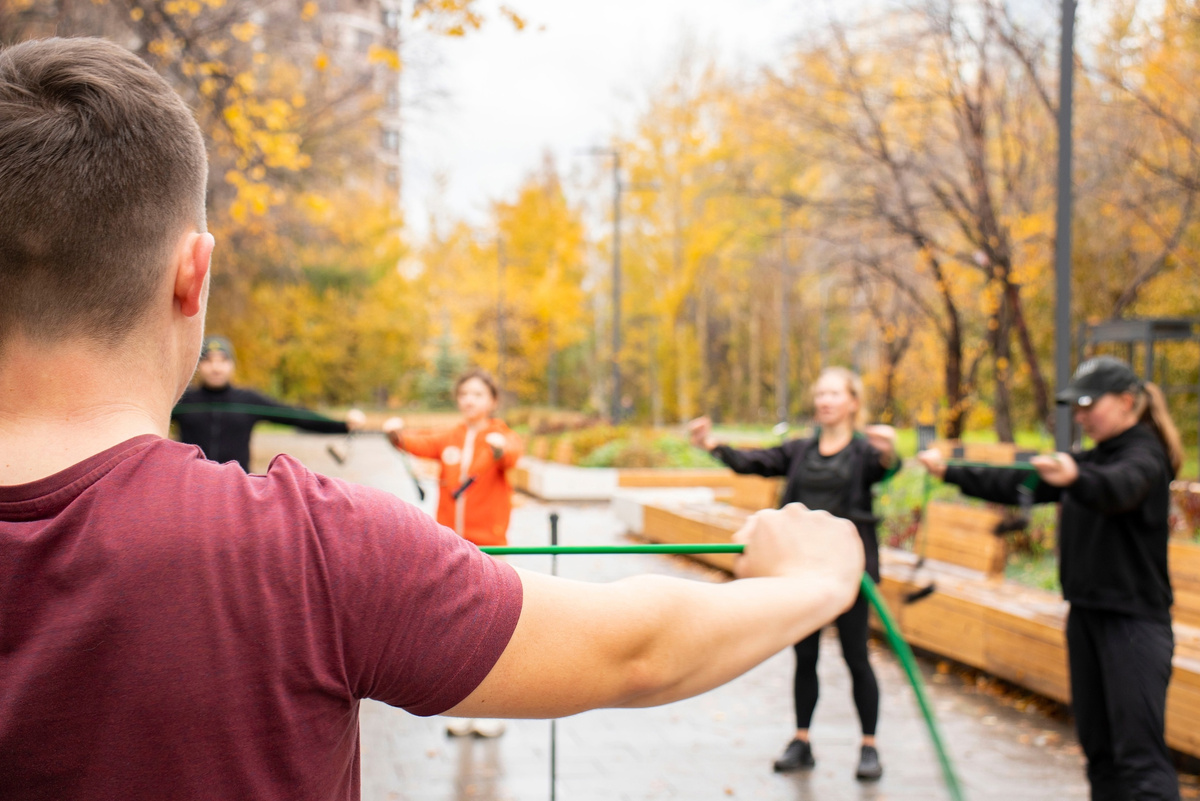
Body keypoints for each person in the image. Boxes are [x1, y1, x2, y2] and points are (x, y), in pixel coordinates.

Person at [0, 38, 865, 801]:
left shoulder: (360, 526)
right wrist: (811, 582)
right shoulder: (307, 548)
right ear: (195, 275)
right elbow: (637, 650)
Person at [918, 356, 1184, 801]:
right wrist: (949, 471)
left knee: (1139, 760)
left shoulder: (1144, 455)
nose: (1079, 416)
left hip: (1133, 624)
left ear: (1126, 402)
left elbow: (1119, 488)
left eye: (1087, 405)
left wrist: (1077, 476)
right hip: (1087, 618)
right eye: (1074, 407)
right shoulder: (1092, 457)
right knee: (1100, 754)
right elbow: (1020, 484)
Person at [689, 366, 897, 781]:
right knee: (805, 656)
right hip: (802, 570)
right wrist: (711, 444)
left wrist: (889, 451)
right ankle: (802, 741)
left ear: (853, 402)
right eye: (820, 393)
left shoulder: (863, 453)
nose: (825, 401)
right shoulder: (800, 450)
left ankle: (869, 746)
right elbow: (756, 461)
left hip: (850, 570)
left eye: (835, 393)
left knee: (856, 655)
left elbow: (887, 466)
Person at [382, 368, 521, 738]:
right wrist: (395, 433)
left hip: (490, 546)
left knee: (494, 629)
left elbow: (511, 455)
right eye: (464, 394)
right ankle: (464, 708)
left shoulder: (501, 435)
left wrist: (499, 449)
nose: (469, 401)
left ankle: (494, 714)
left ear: (491, 400)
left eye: (477, 394)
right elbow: (418, 443)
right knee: (461, 631)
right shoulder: (452, 437)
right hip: (454, 546)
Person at [172, 335, 366, 472]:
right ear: (198, 365)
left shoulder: (248, 401)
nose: (216, 367)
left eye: (222, 360)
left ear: (232, 365)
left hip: (237, 491)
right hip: (192, 491)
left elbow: (295, 416)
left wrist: (343, 426)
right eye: (208, 361)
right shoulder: (181, 399)